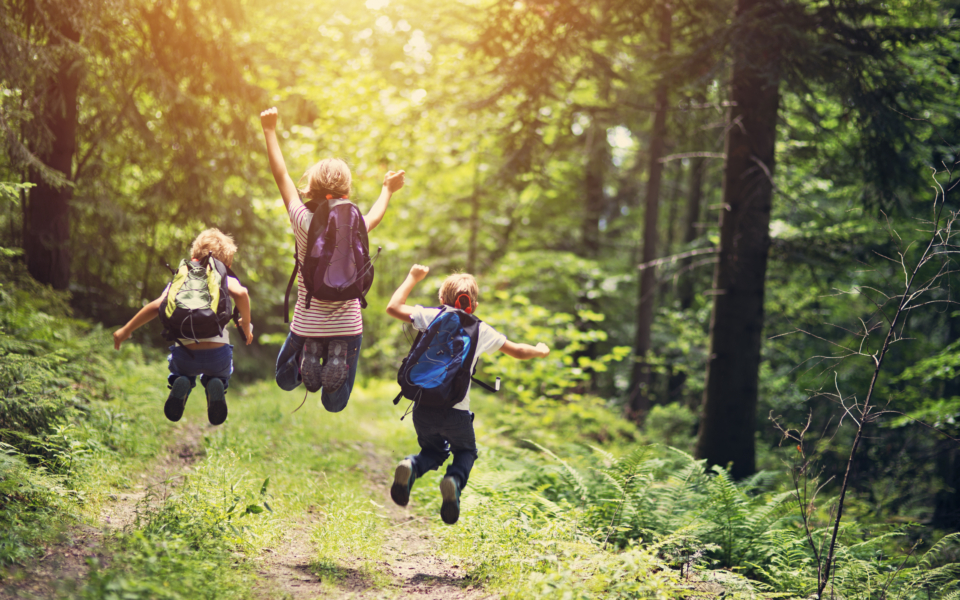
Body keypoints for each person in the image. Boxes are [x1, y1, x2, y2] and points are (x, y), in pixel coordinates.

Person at [259, 107, 405, 412]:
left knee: (285, 379)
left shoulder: (302, 220)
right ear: (346, 189)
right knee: (335, 403)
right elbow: (375, 214)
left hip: (306, 321)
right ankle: (333, 351)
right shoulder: (356, 225)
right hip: (348, 324)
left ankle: (309, 351)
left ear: (311, 187)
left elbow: (281, 175)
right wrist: (387, 190)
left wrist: (269, 130)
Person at [385, 264, 550, 524]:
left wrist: (413, 277)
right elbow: (518, 350)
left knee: (434, 451)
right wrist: (540, 350)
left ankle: (411, 466)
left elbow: (393, 307)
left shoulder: (431, 315)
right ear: (473, 304)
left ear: (442, 299)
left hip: (423, 407)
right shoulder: (481, 329)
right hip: (457, 412)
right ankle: (453, 480)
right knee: (465, 452)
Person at [112, 228, 253, 425]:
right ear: (227, 263)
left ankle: (182, 382)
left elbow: (156, 306)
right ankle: (216, 383)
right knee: (222, 373)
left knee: (180, 371)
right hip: (217, 355)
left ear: (193, 255)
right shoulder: (223, 276)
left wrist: (125, 330)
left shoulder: (182, 277)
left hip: (185, 356)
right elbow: (242, 294)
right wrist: (246, 325)